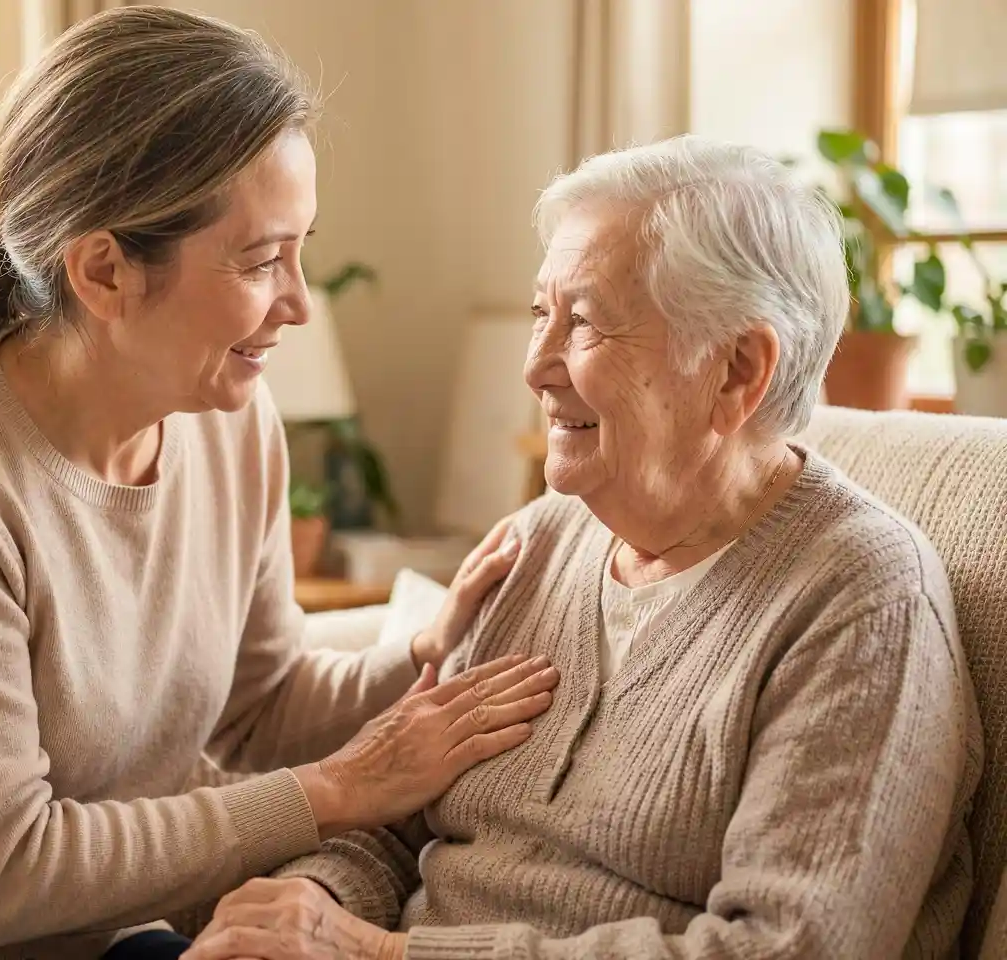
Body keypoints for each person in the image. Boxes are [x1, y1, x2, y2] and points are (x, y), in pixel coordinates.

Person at [0, 8, 560, 960]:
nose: (296, 301)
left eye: (301, 248)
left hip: (83, 934)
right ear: (104, 271)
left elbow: (261, 705)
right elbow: (5, 876)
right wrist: (336, 791)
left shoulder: (233, 423)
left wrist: (431, 651)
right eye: (259, 261)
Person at [179, 136, 985, 960]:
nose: (535, 366)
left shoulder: (861, 602)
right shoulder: (538, 544)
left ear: (738, 370)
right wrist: (304, 899)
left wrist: (374, 953)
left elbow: (785, 950)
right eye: (541, 314)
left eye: (587, 322)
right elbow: (389, 824)